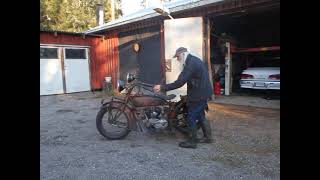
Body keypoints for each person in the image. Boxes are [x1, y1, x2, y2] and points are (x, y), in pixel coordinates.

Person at [153, 47, 213, 149]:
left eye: (178, 57)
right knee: (200, 115)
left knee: (191, 117)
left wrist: (162, 87)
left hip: (199, 94)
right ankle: (208, 138)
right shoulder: (192, 60)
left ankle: (192, 142)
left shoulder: (191, 64)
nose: (177, 59)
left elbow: (180, 82)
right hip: (202, 92)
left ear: (183, 54)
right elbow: (184, 77)